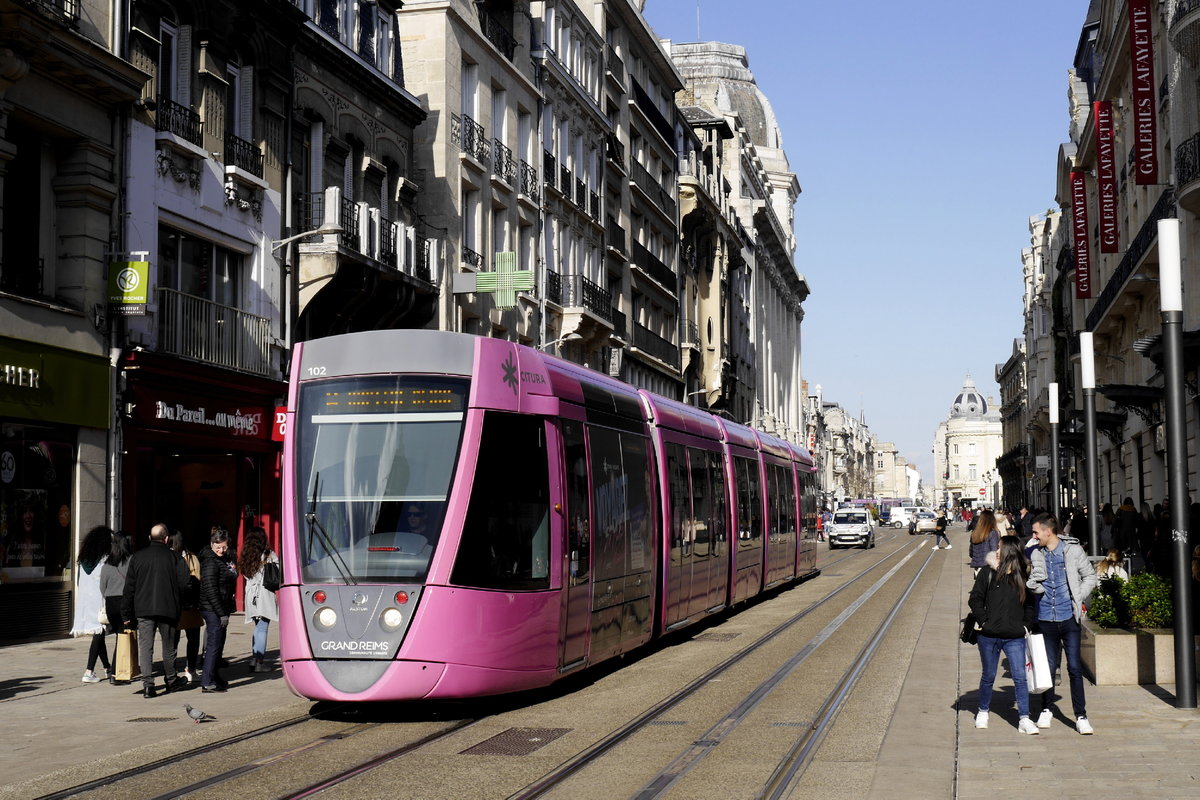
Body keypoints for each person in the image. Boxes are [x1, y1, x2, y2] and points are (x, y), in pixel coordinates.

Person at [1027, 512, 1098, 734]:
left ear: (1048, 531)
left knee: (1074, 668)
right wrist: (1034, 585)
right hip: (1046, 618)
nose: (1034, 536)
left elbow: (1090, 576)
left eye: (1036, 532)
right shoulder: (1036, 553)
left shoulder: (1073, 551)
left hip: (1069, 617)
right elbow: (1031, 580)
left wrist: (1077, 596)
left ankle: (1081, 716)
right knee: (1048, 668)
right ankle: (1046, 709)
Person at [969, 535, 1039, 734]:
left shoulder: (1023, 576)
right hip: (988, 636)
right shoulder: (987, 572)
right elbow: (975, 599)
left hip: (1014, 636)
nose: (997, 551)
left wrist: (1025, 626)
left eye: (1000, 548)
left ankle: (1024, 718)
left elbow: (1030, 605)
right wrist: (984, 622)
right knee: (988, 675)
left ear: (1010, 551)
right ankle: (983, 711)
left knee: (1020, 677)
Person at [121, 523, 191, 698]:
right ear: (166, 539)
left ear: (149, 538)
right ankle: (171, 680)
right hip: (168, 608)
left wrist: (126, 613)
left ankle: (148, 686)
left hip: (143, 609)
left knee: (146, 647)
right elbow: (185, 584)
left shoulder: (138, 557)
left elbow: (129, 587)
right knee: (169, 646)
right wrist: (180, 602)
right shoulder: (175, 558)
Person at [72, 525, 113, 683]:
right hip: (99, 600)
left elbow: (78, 581)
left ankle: (108, 668)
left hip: (85, 601)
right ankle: (88, 671)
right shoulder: (105, 559)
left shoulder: (83, 560)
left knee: (98, 633)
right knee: (99, 632)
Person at [199, 526, 238, 693]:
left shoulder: (225, 559)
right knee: (214, 644)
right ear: (211, 544)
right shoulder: (210, 562)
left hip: (222, 606)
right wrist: (221, 613)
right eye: (218, 547)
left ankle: (214, 676)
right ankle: (207, 681)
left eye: (224, 547)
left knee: (219, 643)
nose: (221, 550)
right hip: (212, 608)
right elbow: (210, 590)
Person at [238, 526, 279, 673]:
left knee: (257, 627)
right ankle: (259, 662)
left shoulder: (246, 556)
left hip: (251, 594)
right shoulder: (268, 554)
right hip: (264, 594)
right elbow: (278, 570)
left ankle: (254, 658)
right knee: (262, 628)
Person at [169, 530, 203, 683]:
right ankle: (191, 669)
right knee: (193, 638)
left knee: (172, 640)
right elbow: (198, 579)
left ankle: (171, 669)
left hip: (173, 605)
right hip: (190, 605)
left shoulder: (167, 557)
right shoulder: (192, 558)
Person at [99, 531, 132, 684]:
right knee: (123, 637)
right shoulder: (130, 561)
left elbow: (102, 588)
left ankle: (118, 671)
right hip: (125, 602)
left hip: (110, 603)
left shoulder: (106, 564)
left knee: (120, 636)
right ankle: (116, 673)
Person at [968, 510, 1001, 577]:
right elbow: (994, 551)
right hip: (988, 567)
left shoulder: (974, 533)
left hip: (977, 567)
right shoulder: (992, 533)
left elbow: (971, 553)